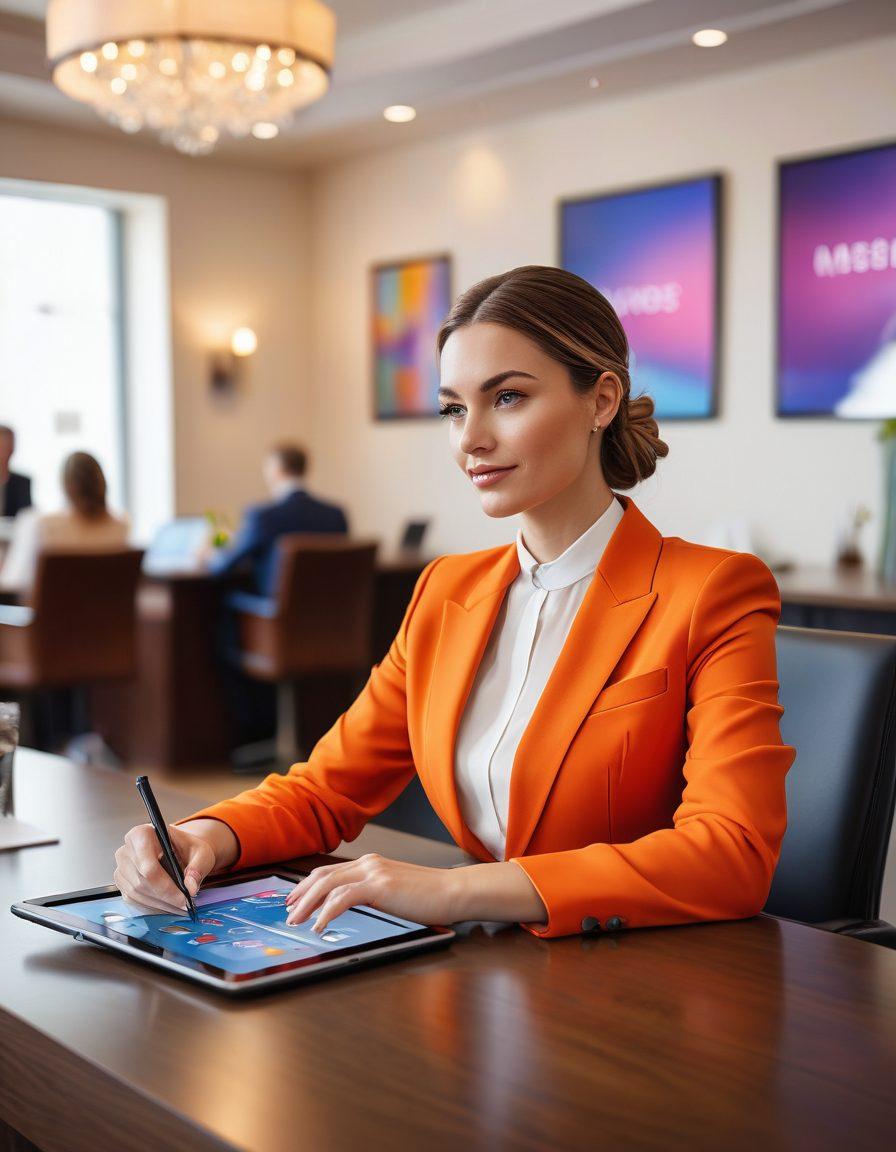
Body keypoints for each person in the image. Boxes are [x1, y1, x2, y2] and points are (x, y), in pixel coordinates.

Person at [114, 265, 795, 939]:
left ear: (601, 400)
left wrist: (455, 890)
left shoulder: (711, 590)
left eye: (507, 398)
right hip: (487, 979)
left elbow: (731, 852)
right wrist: (201, 836)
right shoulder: (448, 590)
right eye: (453, 408)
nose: (470, 438)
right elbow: (328, 789)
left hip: (643, 983)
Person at [205, 442, 348, 596]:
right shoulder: (335, 514)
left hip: (274, 614)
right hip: (328, 609)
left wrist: (210, 555)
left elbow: (226, 565)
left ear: (276, 470)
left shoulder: (262, 516)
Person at [0, 451, 128, 595]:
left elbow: (11, 584)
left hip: (51, 616)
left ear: (66, 485)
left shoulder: (38, 524)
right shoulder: (122, 525)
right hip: (107, 615)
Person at [0, 425, 32, 519]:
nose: (5, 451)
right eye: (1, 446)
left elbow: (26, 516)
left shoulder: (23, 483)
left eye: (9, 446)